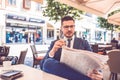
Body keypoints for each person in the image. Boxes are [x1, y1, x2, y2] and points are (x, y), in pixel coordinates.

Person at [40, 16, 103, 80]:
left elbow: (93, 62)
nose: (69, 29)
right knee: (47, 63)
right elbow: (42, 65)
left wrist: (98, 73)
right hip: (61, 74)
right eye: (66, 27)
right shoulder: (55, 43)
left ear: (74, 27)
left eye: (71, 26)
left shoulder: (84, 43)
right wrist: (53, 51)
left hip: (79, 72)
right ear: (61, 28)